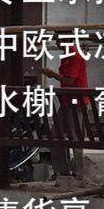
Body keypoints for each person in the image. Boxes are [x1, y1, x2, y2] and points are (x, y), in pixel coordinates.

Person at [40, 45, 89, 177]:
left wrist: (52, 74)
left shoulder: (75, 56)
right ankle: (62, 171)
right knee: (56, 134)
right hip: (66, 101)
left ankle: (79, 172)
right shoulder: (66, 56)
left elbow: (70, 80)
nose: (58, 43)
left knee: (75, 137)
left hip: (76, 102)